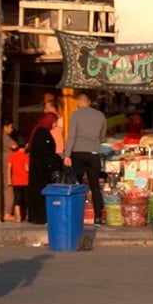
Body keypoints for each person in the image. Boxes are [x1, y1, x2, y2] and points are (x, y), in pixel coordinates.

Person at [64, 92, 107, 226]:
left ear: (78, 102)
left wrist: (67, 154)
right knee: (95, 186)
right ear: (89, 101)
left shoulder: (75, 115)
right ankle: (98, 217)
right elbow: (102, 136)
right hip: (94, 153)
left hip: (77, 152)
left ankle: (76, 215)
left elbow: (72, 136)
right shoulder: (100, 115)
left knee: (76, 185)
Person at [27, 114, 63, 225]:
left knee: (37, 191)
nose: (56, 124)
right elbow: (46, 150)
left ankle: (37, 217)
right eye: (55, 122)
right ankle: (40, 217)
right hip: (41, 169)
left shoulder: (39, 131)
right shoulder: (42, 133)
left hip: (38, 168)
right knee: (40, 192)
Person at [7, 134, 29, 222]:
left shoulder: (12, 155)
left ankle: (18, 217)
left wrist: (9, 178)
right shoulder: (26, 156)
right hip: (25, 180)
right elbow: (27, 168)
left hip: (16, 180)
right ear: (26, 145)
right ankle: (27, 215)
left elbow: (9, 168)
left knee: (17, 198)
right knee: (26, 199)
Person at [2, 117, 17, 221]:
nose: (12, 129)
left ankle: (4, 212)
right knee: (9, 189)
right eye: (11, 127)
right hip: (7, 165)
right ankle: (7, 213)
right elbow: (14, 146)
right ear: (5, 127)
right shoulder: (5, 137)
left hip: (2, 164)